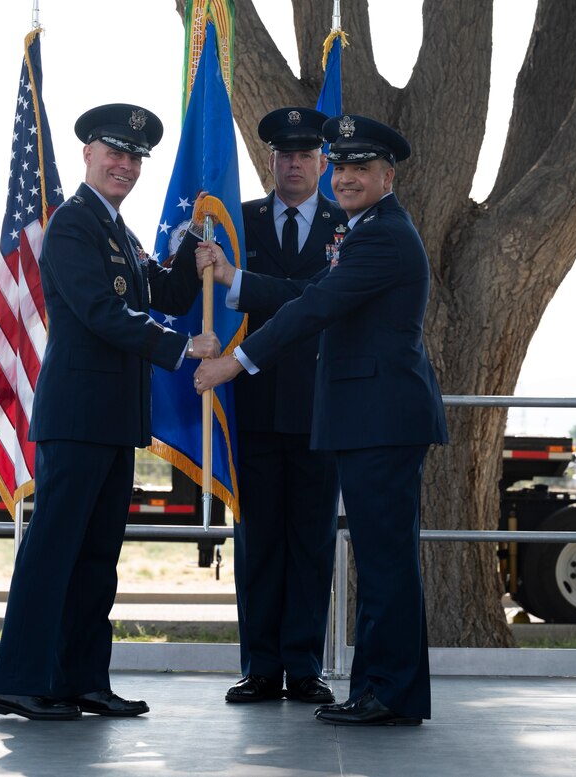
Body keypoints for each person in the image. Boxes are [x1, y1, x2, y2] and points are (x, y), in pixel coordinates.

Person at [195, 114, 447, 726]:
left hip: (379, 419)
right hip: (370, 419)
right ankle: (391, 690)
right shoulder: (370, 230)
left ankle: (385, 691)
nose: (347, 177)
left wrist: (236, 361)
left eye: (362, 168)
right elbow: (311, 300)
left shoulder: (379, 235)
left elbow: (317, 305)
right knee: (387, 562)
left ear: (388, 176)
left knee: (384, 565)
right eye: (343, 167)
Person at [0, 103, 220, 721]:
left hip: (114, 420)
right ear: (87, 153)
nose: (125, 164)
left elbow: (160, 294)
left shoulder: (119, 230)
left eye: (135, 157)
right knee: (53, 554)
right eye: (113, 151)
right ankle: (19, 681)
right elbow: (99, 311)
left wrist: (193, 253)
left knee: (95, 562)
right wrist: (180, 347)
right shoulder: (72, 224)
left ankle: (81, 680)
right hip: (78, 417)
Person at [218, 107, 346, 706]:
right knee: (258, 543)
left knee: (313, 543)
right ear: (269, 159)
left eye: (305, 154)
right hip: (253, 404)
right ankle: (261, 667)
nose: (294, 163)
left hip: (322, 407)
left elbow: (323, 299)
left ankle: (305, 666)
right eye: (283, 154)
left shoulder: (346, 224)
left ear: (323, 161)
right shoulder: (236, 223)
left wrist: (239, 280)